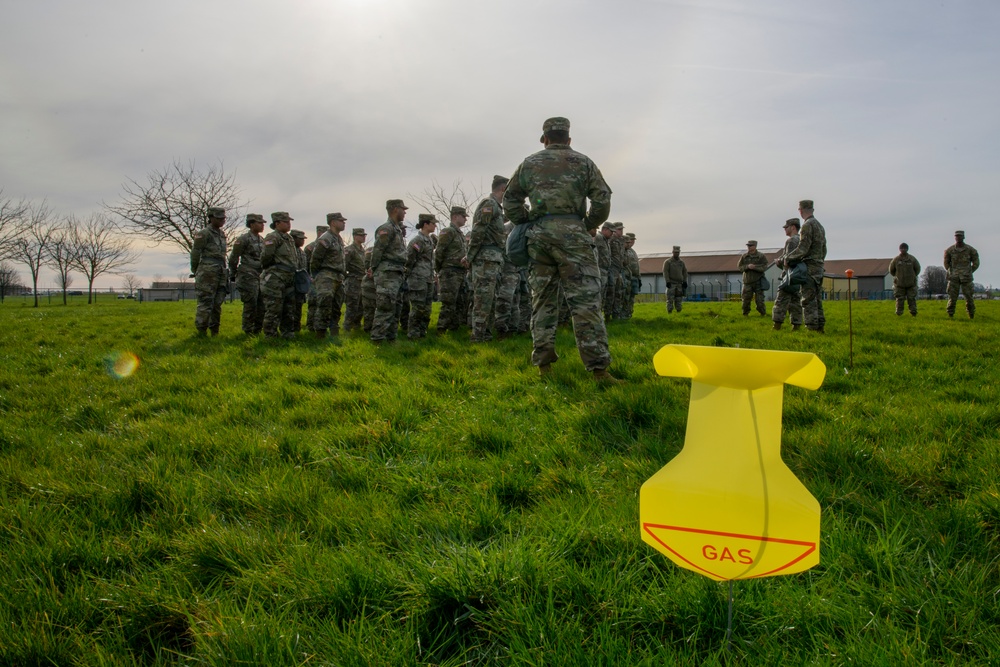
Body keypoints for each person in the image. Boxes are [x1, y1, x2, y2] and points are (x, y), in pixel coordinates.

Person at [502, 116, 617, 382]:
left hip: (539, 239)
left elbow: (510, 200)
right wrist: (587, 223)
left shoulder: (529, 163)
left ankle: (544, 367)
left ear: (544, 139)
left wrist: (527, 222)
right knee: (585, 303)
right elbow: (602, 198)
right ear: (568, 139)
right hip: (574, 239)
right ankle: (599, 370)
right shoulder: (584, 162)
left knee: (542, 302)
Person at [467, 175, 509, 342]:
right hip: (485, 259)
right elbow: (479, 230)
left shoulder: (497, 208)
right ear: (503, 189)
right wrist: (470, 256)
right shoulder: (489, 204)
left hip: (493, 260)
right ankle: (477, 337)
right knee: (483, 299)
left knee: (491, 299)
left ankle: (486, 335)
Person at [784, 200, 827, 333]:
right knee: (817, 298)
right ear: (812, 209)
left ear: (801, 210)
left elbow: (803, 248)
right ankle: (820, 326)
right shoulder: (820, 226)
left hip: (809, 268)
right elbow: (824, 249)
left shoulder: (807, 225)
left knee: (808, 300)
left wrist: (788, 258)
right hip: (819, 267)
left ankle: (811, 328)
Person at [369, 199, 408, 343]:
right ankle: (377, 339)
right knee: (385, 307)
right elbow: (378, 251)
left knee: (396, 307)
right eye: (403, 209)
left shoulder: (397, 229)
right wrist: (375, 270)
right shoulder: (386, 228)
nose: (405, 212)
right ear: (395, 209)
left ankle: (391, 338)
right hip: (387, 273)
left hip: (396, 273)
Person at [190, 206, 229, 336]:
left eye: (223, 218)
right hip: (207, 270)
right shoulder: (204, 233)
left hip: (220, 270)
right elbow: (196, 252)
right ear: (211, 218)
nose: (222, 221)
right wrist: (195, 270)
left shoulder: (222, 234)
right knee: (206, 302)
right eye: (219, 218)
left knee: (217, 303)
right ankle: (201, 331)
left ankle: (215, 331)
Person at [260, 211, 299, 339]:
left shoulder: (289, 238)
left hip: (289, 276)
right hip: (276, 277)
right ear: (277, 223)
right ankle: (270, 334)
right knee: (274, 307)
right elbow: (266, 257)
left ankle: (287, 333)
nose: (289, 224)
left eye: (289, 222)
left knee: (289, 307)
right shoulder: (273, 237)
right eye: (286, 222)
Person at [310, 212, 348, 338]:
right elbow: (316, 258)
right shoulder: (326, 238)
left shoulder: (338, 238)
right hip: (326, 275)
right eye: (341, 221)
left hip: (338, 276)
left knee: (336, 306)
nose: (344, 223)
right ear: (333, 223)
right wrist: (316, 275)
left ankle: (334, 332)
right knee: (325, 303)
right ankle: (320, 333)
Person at [228, 213, 266, 335]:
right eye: (259, 223)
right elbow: (234, 257)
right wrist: (233, 273)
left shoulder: (263, 240)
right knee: (251, 302)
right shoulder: (243, 239)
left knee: (262, 304)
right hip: (248, 274)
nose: (262, 225)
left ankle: (258, 330)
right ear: (251, 224)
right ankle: (248, 330)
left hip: (260, 275)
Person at [434, 206, 470, 333]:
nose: (466, 219)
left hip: (460, 272)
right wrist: (439, 269)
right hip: (449, 272)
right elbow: (439, 252)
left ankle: (454, 328)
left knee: (461, 301)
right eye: (463, 216)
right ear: (455, 216)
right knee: (448, 302)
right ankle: (441, 329)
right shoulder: (448, 231)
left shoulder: (459, 233)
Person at [404, 214, 437, 339]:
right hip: (418, 279)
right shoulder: (417, 241)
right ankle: (413, 333)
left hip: (428, 279)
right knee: (418, 308)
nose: (435, 225)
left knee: (427, 308)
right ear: (425, 224)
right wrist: (408, 276)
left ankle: (422, 333)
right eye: (433, 223)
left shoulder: (429, 240)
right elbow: (409, 259)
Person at [772, 219, 803, 331]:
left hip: (789, 276)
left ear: (793, 227)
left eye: (787, 227)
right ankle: (796, 326)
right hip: (799, 276)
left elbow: (788, 260)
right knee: (796, 303)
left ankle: (776, 326)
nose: (785, 229)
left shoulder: (791, 241)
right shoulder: (801, 240)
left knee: (780, 302)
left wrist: (778, 262)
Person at [494, 220, 522, 339]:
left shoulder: (521, 227)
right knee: (504, 301)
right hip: (507, 270)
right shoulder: (506, 228)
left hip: (517, 271)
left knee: (514, 302)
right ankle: (502, 330)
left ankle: (511, 329)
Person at [944, 230, 980, 319]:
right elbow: (946, 263)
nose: (958, 238)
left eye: (960, 236)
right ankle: (950, 314)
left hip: (966, 278)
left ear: (963, 237)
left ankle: (971, 315)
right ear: (954, 237)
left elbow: (976, 263)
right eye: (956, 236)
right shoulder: (949, 250)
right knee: (952, 298)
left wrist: (969, 271)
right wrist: (952, 272)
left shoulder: (971, 250)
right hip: (953, 278)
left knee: (969, 298)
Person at [343, 228, 367, 332]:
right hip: (353, 280)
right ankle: (347, 327)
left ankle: (356, 325)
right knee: (352, 305)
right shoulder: (349, 250)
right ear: (355, 236)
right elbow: (344, 265)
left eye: (364, 235)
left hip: (362, 280)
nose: (363, 237)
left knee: (361, 306)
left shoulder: (363, 250)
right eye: (361, 235)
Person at [889, 242, 921, 317]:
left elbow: (917, 269)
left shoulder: (912, 259)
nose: (903, 250)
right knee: (899, 299)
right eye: (902, 248)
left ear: (907, 249)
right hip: (899, 284)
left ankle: (913, 313)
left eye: (905, 248)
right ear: (899, 249)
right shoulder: (896, 259)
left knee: (911, 299)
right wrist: (897, 276)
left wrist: (913, 276)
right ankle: (899, 314)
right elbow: (891, 270)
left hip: (911, 284)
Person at [738, 240, 769, 316]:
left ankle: (763, 313)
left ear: (755, 246)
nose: (749, 247)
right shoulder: (744, 256)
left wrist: (755, 268)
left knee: (759, 301)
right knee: (746, 300)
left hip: (758, 281)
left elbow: (765, 266)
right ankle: (745, 314)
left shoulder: (761, 256)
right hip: (747, 282)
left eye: (750, 245)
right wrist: (747, 267)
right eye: (748, 245)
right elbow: (739, 267)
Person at [662, 246, 688, 313]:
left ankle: (678, 311)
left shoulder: (681, 262)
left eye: (678, 252)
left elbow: (685, 272)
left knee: (679, 300)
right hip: (671, 283)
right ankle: (669, 311)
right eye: (675, 252)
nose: (677, 254)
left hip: (679, 284)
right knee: (670, 299)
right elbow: (665, 272)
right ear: (672, 252)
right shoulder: (668, 262)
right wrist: (667, 281)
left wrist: (685, 281)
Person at [624, 233, 641, 318]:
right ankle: (624, 314)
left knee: (631, 297)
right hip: (627, 278)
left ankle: (629, 313)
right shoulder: (624, 250)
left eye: (634, 240)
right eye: (631, 240)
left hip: (634, 278)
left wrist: (639, 278)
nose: (633, 241)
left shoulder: (633, 251)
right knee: (626, 297)